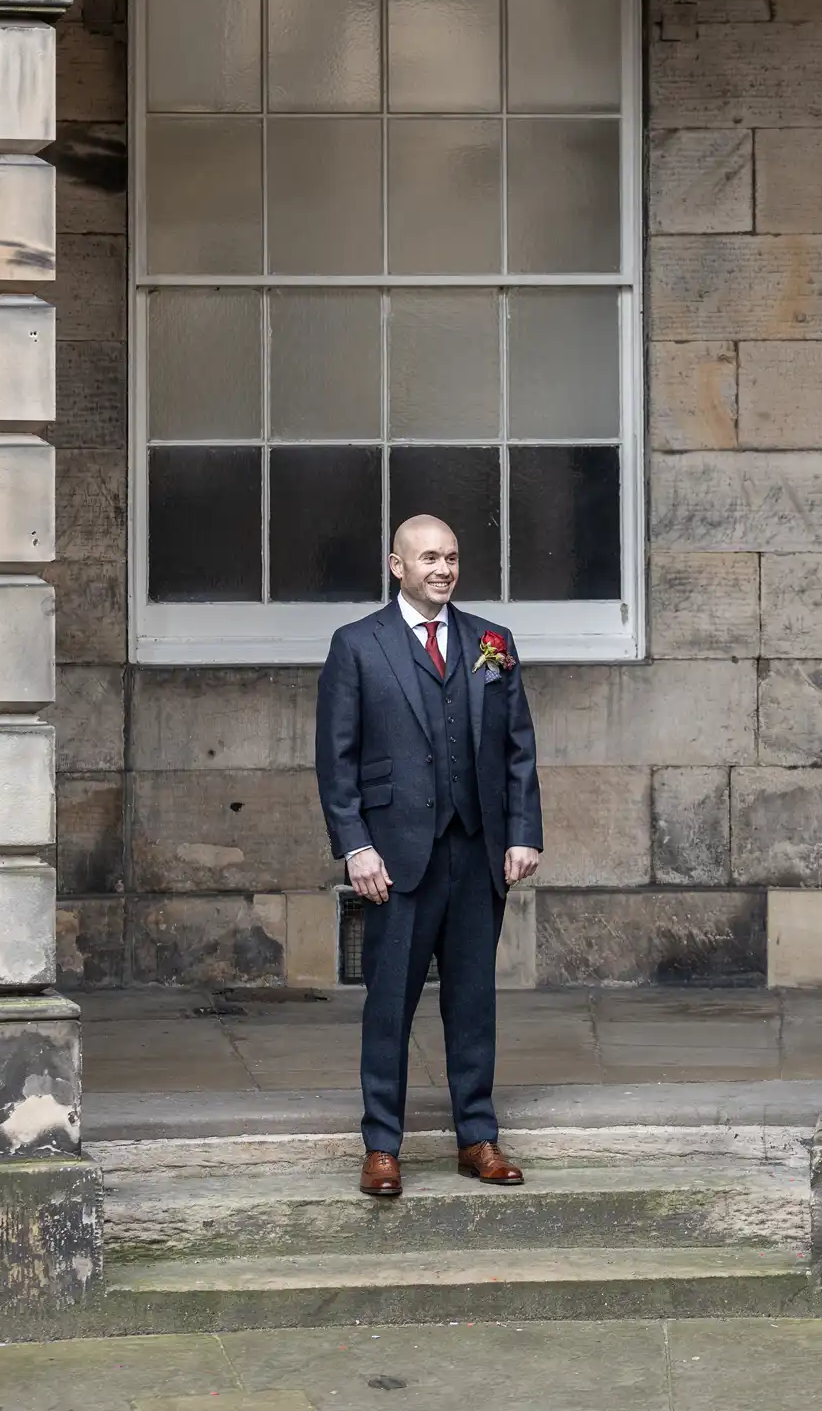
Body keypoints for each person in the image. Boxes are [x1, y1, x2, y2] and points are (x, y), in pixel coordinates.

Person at [315, 513, 544, 1198]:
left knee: (473, 1003)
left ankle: (477, 1136)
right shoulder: (357, 646)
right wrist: (355, 845)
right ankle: (381, 1145)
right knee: (390, 1001)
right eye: (427, 558)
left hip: (475, 854)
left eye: (450, 557)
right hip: (395, 857)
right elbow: (337, 759)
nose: (442, 569)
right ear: (396, 566)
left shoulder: (491, 642)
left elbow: (517, 748)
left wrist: (523, 832)